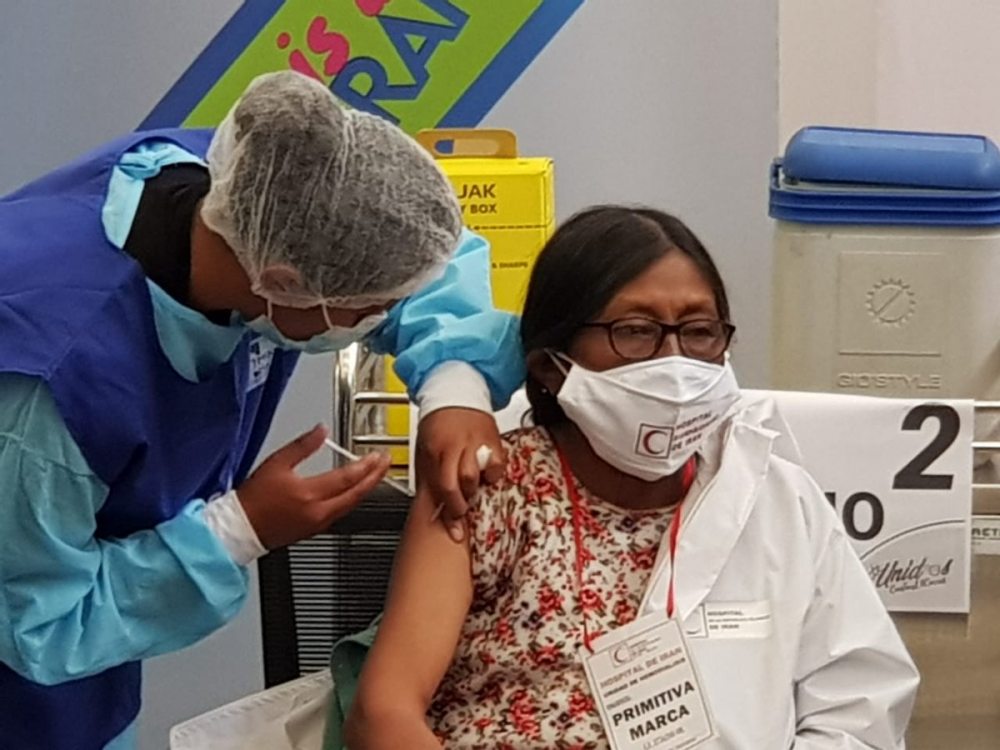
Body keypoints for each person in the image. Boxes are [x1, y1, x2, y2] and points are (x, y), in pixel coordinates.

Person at [0, 71, 523, 750]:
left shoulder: (252, 182)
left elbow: (416, 253)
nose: (386, 320)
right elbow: (35, 621)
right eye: (373, 310)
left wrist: (456, 386)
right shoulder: (48, 387)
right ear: (282, 284)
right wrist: (238, 530)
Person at [344, 206, 920, 749]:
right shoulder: (489, 487)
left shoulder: (778, 499)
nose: (674, 362)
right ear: (551, 365)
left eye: (699, 330)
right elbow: (383, 715)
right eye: (636, 331)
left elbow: (857, 710)